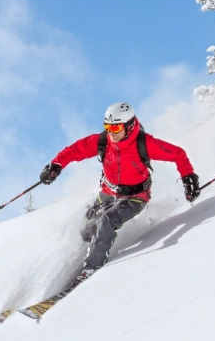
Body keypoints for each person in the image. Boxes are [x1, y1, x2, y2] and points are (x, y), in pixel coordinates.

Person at [40, 102, 201, 275]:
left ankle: (92, 268)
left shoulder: (145, 144)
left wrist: (188, 176)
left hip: (135, 196)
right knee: (88, 227)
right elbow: (73, 151)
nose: (111, 132)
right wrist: (55, 165)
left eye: (116, 128)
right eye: (108, 126)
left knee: (107, 220)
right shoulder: (102, 141)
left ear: (129, 126)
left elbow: (177, 154)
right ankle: (84, 254)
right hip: (108, 193)